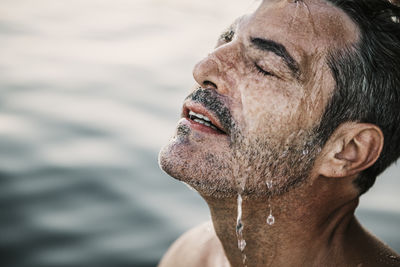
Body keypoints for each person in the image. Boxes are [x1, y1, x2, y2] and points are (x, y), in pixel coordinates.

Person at [158, 0, 400, 266]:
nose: (203, 68)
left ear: (347, 150)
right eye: (226, 40)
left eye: (264, 66)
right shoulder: (193, 255)